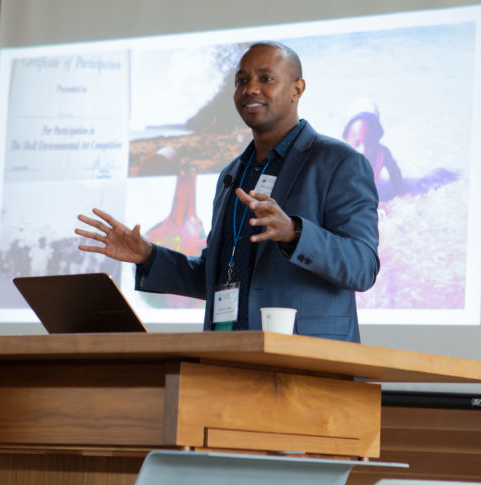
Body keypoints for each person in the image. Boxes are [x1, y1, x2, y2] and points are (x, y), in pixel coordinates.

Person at [76, 42, 379, 342]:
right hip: (229, 354)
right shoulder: (232, 174)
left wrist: (294, 233)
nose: (251, 89)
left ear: (297, 89)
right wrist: (148, 256)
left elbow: (363, 266)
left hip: (306, 360)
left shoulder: (339, 162)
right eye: (242, 81)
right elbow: (217, 274)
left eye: (266, 79)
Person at [342, 102, 404, 202]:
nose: (363, 150)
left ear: (377, 139)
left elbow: (396, 177)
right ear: (347, 141)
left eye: (369, 143)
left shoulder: (382, 154)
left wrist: (400, 197)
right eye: (357, 144)